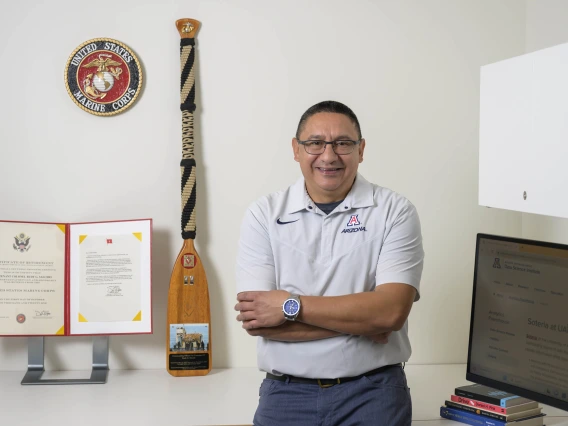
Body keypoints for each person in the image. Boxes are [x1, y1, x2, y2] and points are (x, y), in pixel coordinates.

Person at [235, 100, 424, 426]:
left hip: (374, 391)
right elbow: (259, 321)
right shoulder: (263, 215)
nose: (329, 155)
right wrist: (363, 324)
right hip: (285, 393)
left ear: (361, 150)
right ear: (296, 149)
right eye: (315, 143)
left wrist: (288, 306)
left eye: (343, 143)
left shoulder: (395, 211)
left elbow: (391, 313)